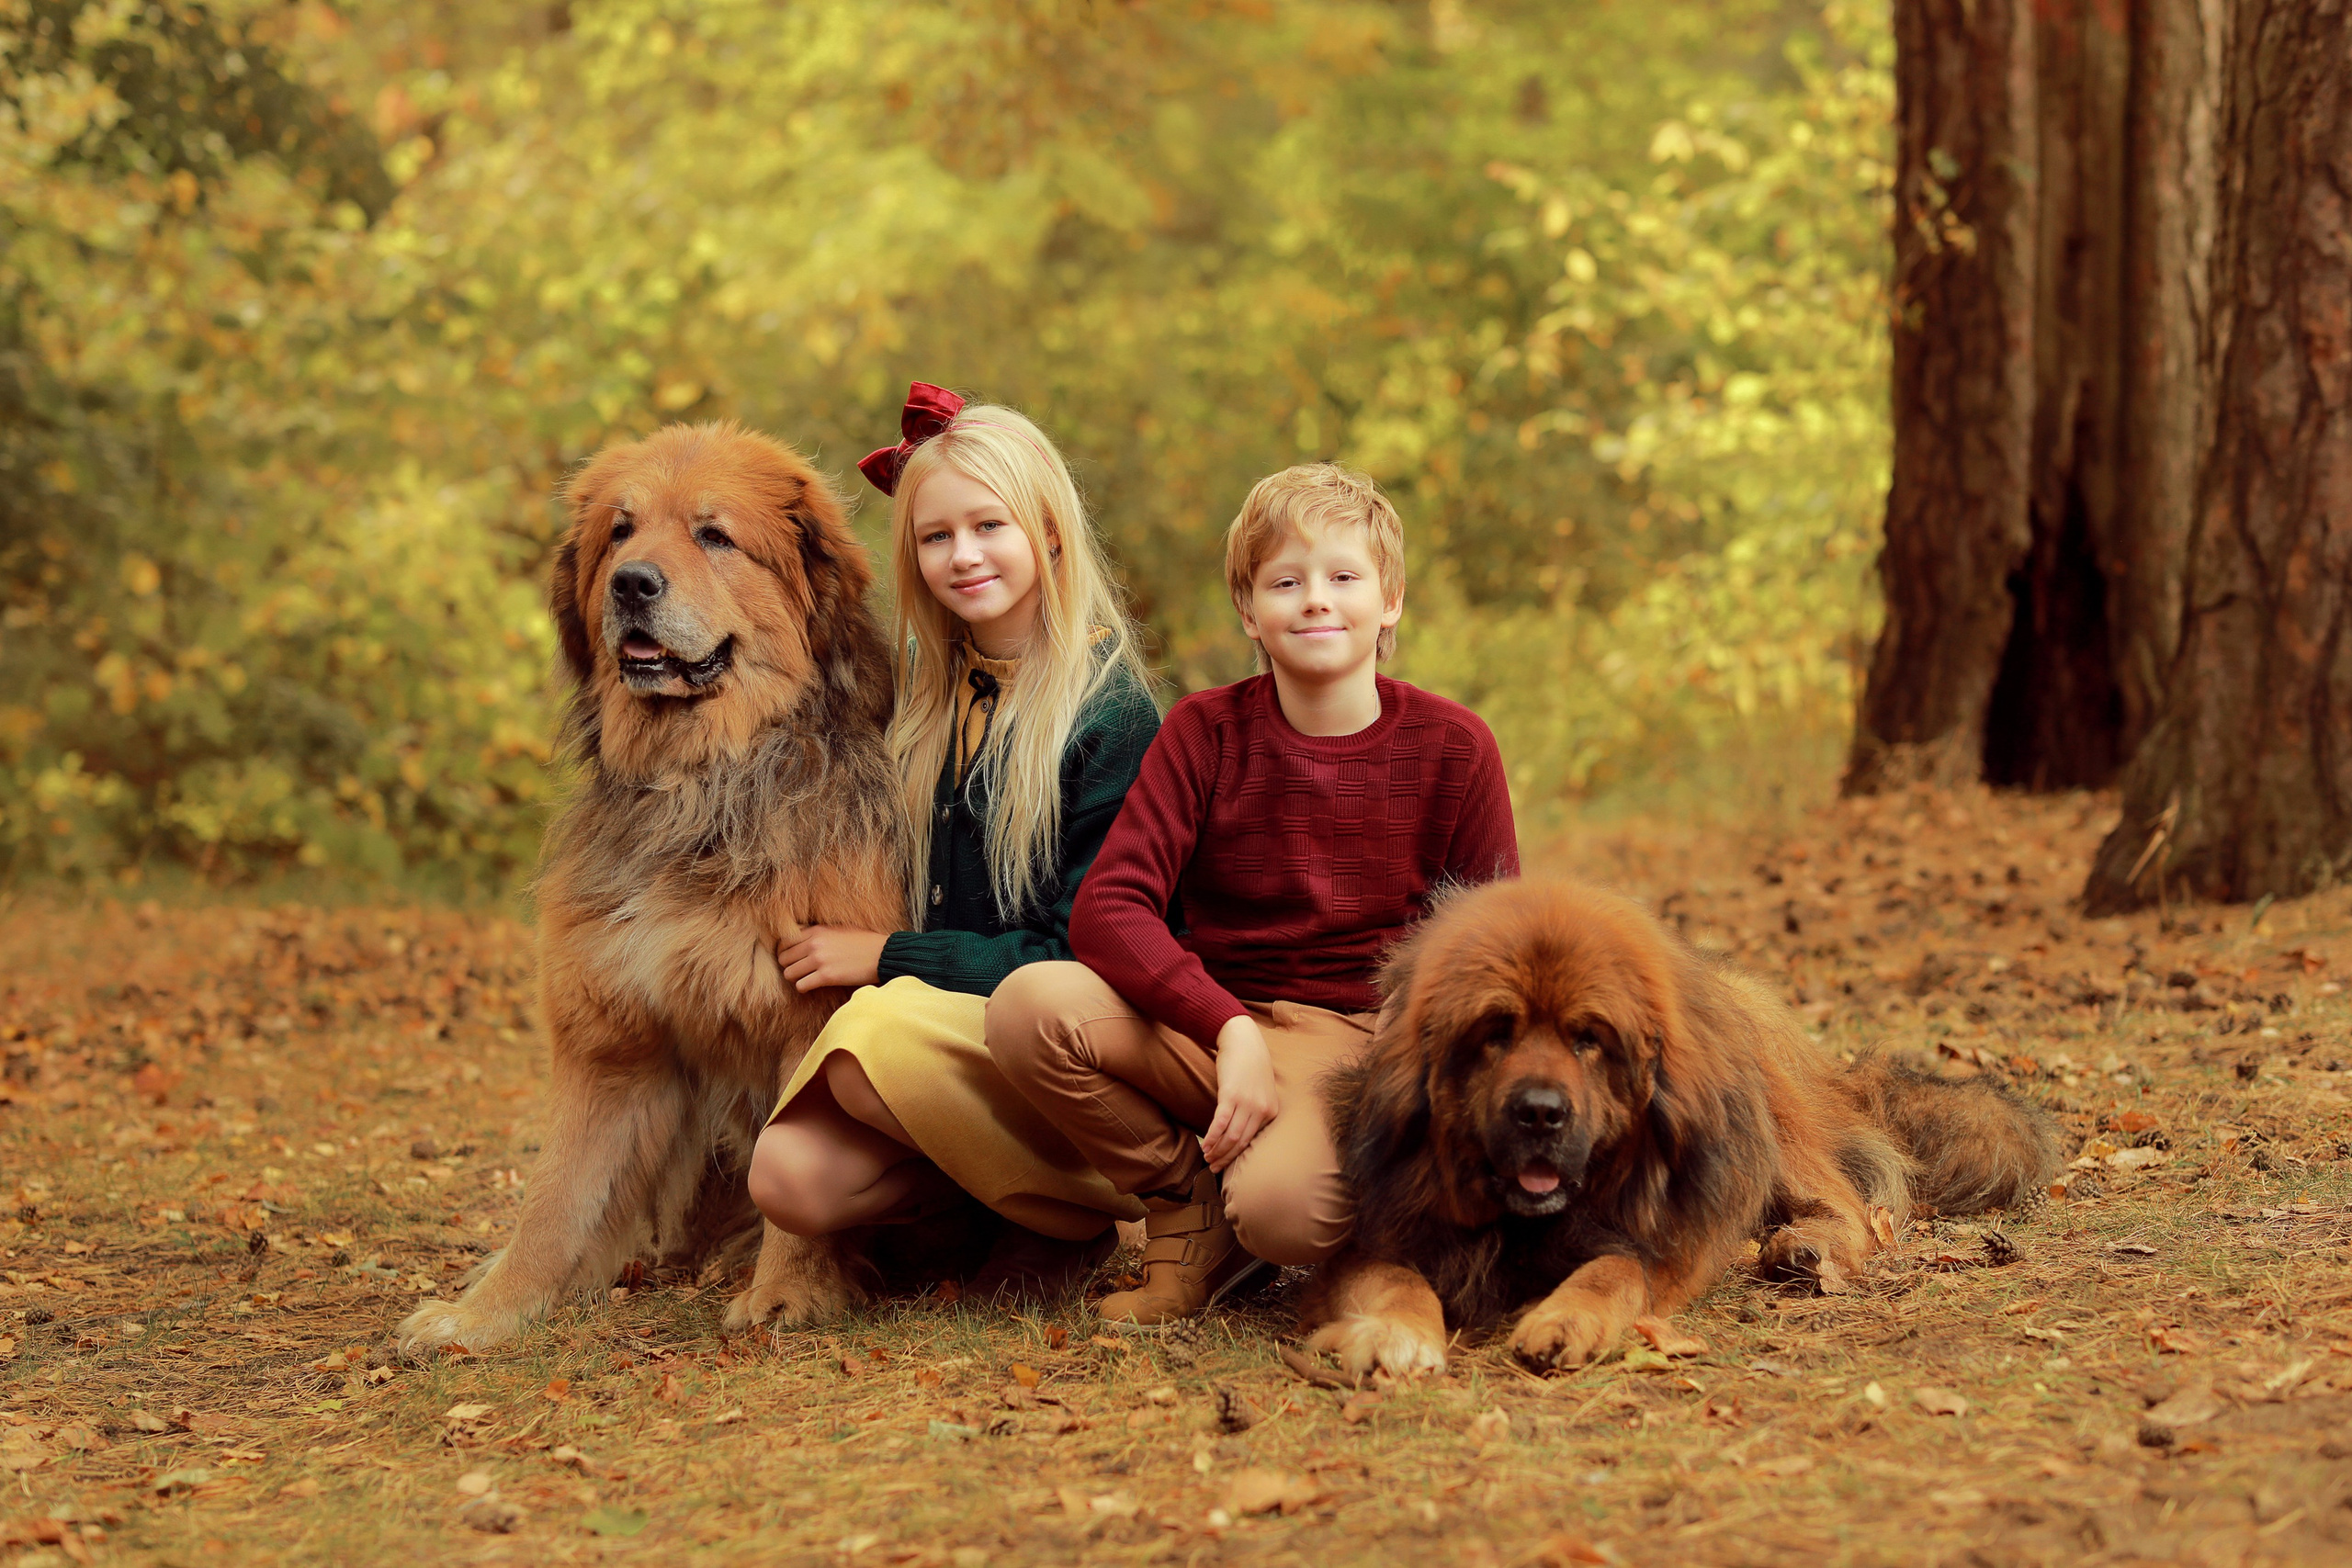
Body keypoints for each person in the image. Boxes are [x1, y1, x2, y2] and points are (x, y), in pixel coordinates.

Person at [986, 462, 1520, 1325]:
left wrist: (1406, 1046)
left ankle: (1254, 1211)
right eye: (1286, 581)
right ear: (1249, 611)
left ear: (1389, 602)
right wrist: (1225, 1024)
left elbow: (1494, 941)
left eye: (1344, 576)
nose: (1316, 599)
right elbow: (1110, 904)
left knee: (1285, 1214)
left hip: (1352, 1037)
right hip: (1214, 1021)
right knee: (1028, 1007)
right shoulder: (1205, 731)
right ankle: (1188, 1211)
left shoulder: (1456, 747)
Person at [745, 383, 1158, 1300]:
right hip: (947, 1048)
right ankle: (970, 1213)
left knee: (873, 1027)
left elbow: (1076, 951)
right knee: (786, 1177)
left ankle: (1066, 1219)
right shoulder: (926, 701)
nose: (963, 555)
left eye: (989, 526)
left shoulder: (1111, 714)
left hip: (1061, 1043)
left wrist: (887, 956)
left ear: (1048, 532)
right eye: (936, 537)